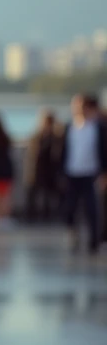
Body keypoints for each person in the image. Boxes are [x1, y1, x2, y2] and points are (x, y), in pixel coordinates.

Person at [61, 93, 106, 254]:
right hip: (72, 173)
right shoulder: (69, 127)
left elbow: (103, 151)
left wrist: (103, 173)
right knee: (69, 208)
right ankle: (72, 234)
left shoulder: (98, 127)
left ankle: (94, 242)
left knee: (92, 209)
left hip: (90, 174)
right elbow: (63, 152)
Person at [24, 109, 63, 223]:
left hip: (49, 172)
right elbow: (32, 155)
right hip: (36, 171)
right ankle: (31, 217)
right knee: (32, 196)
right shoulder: (36, 137)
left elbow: (56, 155)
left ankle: (48, 216)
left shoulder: (56, 137)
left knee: (48, 197)